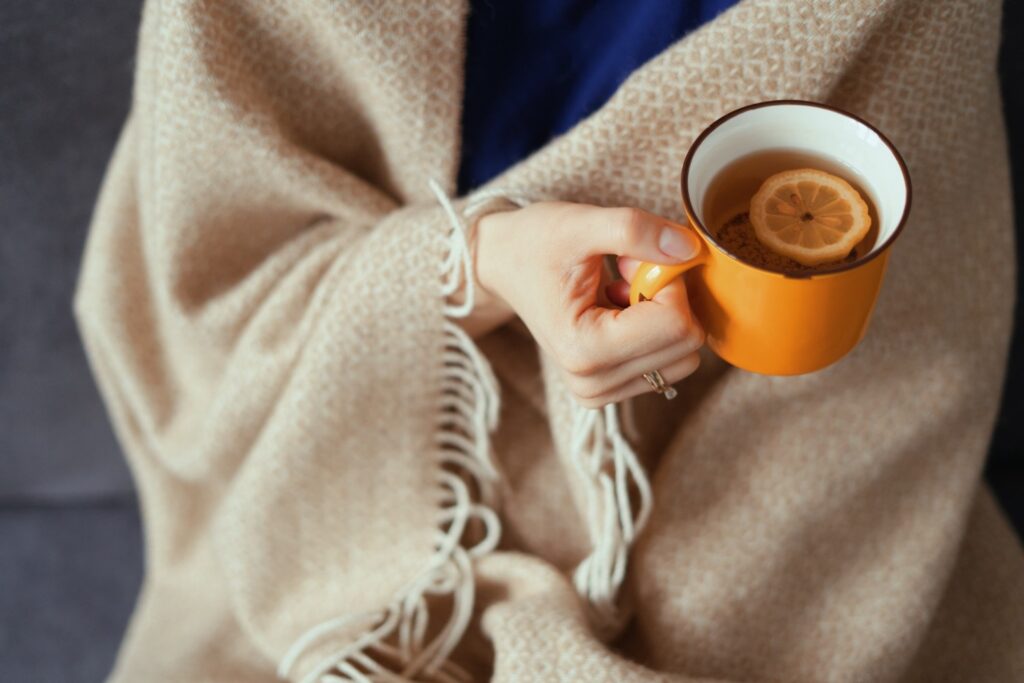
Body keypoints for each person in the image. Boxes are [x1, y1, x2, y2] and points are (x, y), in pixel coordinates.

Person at [75, 1, 1024, 681]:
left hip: (758, 506)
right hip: (343, 498)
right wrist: (470, 265)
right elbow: (212, 290)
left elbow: (908, 341)